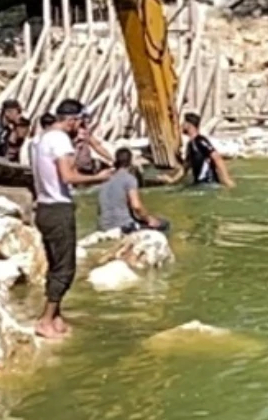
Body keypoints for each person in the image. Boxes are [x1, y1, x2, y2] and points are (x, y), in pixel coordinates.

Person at [30, 99, 112, 339]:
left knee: (55, 265)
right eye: (80, 121)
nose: (82, 125)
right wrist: (99, 177)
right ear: (72, 120)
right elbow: (68, 176)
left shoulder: (43, 138)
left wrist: (77, 147)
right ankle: (45, 320)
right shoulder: (59, 140)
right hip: (58, 209)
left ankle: (55, 315)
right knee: (65, 268)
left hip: (43, 207)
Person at [97, 147, 171, 235]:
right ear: (130, 161)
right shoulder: (129, 179)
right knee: (164, 224)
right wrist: (150, 219)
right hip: (123, 226)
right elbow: (136, 206)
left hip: (105, 227)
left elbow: (100, 210)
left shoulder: (105, 180)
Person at [162, 112, 235, 187]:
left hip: (208, 183)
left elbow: (217, 158)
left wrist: (226, 180)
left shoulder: (200, 140)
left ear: (188, 125)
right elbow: (185, 168)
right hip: (199, 184)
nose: (181, 126)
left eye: (183, 123)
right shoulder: (190, 145)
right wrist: (172, 180)